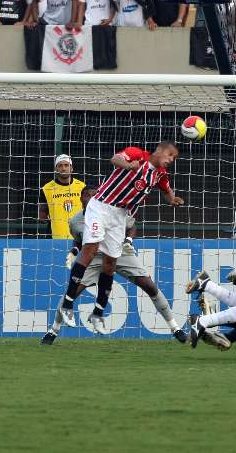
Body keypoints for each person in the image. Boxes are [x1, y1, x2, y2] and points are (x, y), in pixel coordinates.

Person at [56, 142, 184, 332]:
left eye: (174, 158)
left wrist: (172, 199)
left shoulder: (160, 175)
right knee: (90, 250)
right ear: (159, 150)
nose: (171, 160)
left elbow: (166, 190)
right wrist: (129, 165)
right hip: (101, 206)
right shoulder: (138, 154)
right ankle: (67, 305)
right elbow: (115, 159)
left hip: (120, 216)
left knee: (110, 263)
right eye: (170, 154)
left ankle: (98, 313)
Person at [41, 186, 187, 344]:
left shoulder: (112, 210)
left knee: (149, 285)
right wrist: (74, 251)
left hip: (119, 252)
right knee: (71, 292)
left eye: (94, 195)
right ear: (81, 199)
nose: (91, 198)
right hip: (93, 257)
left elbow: (131, 226)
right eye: (87, 195)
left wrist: (128, 241)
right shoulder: (75, 221)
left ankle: (175, 328)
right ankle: (53, 330)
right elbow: (79, 239)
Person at [39, 154, 86, 239]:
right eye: (60, 166)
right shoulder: (46, 189)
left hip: (79, 237)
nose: (63, 168)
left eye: (66, 165)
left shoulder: (82, 187)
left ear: (71, 168)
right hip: (55, 238)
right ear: (56, 169)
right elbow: (42, 216)